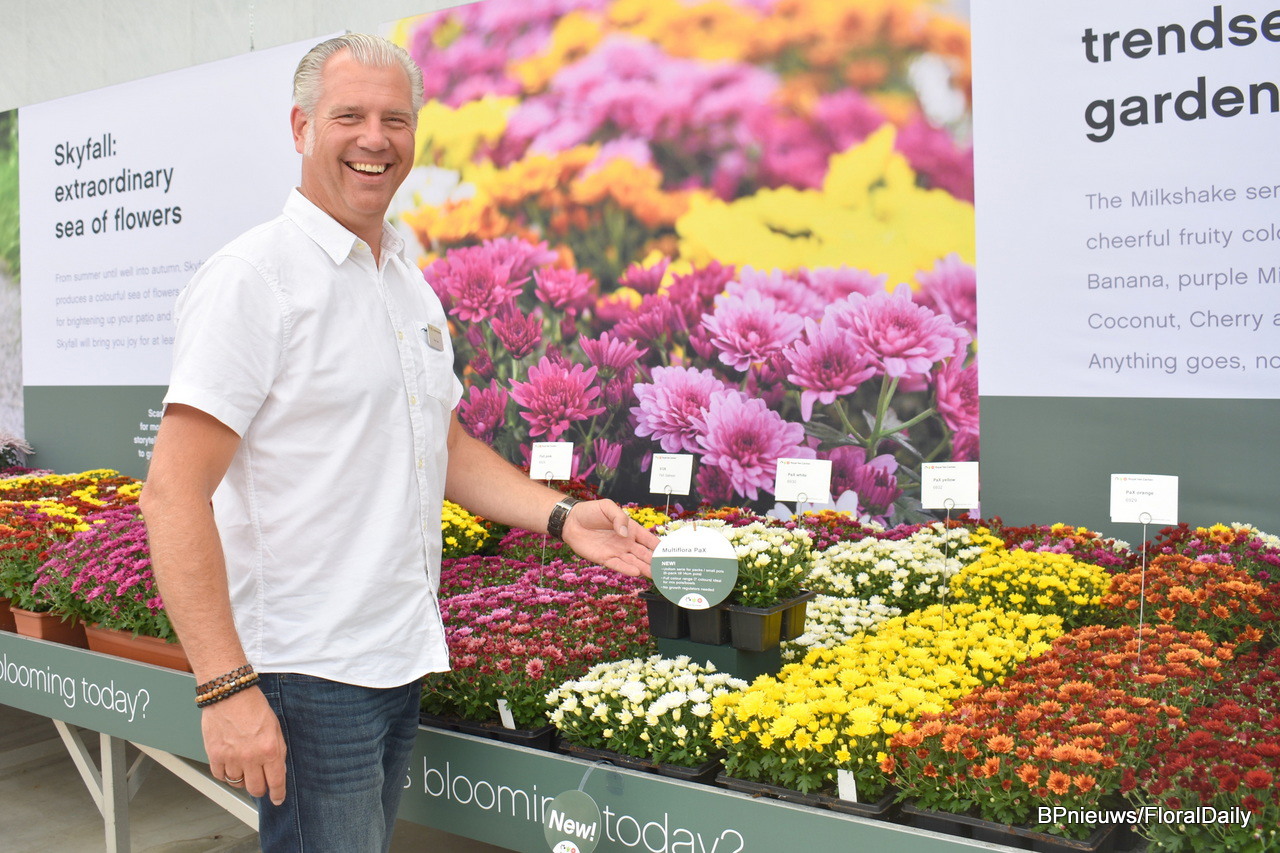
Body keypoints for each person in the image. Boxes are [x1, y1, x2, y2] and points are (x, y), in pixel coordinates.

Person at [140, 33, 657, 853]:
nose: (375, 139)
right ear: (301, 127)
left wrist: (562, 516)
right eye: (349, 116)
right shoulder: (255, 278)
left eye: (396, 119)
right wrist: (226, 687)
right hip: (308, 670)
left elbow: (441, 442)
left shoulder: (405, 281)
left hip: (394, 653)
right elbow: (173, 492)